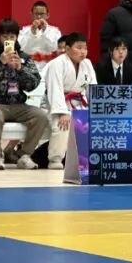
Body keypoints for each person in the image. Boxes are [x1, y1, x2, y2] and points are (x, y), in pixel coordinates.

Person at [0, 18, 49, 170]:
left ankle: (24, 155)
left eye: (12, 36)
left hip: (18, 105)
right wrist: (0, 64)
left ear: (17, 37)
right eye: (5, 36)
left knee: (40, 115)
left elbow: (33, 83)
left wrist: (20, 69)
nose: (9, 40)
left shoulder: (24, 57)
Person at [42, 32, 96, 171]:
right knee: (62, 124)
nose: (83, 52)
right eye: (79, 47)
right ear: (67, 49)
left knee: (93, 123)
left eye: (85, 48)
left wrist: (97, 109)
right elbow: (55, 89)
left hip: (79, 103)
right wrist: (62, 112)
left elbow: (93, 87)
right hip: (57, 103)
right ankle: (55, 159)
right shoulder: (57, 64)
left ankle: (86, 159)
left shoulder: (87, 63)